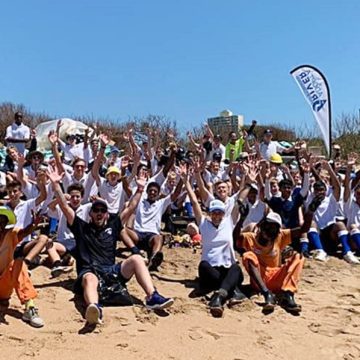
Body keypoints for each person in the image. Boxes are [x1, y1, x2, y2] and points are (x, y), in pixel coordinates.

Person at [47, 167, 174, 325]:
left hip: (111, 271)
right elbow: (65, 208)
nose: (99, 213)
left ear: (107, 214)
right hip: (90, 271)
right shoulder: (81, 227)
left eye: (102, 210)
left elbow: (131, 207)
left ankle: (152, 296)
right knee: (89, 278)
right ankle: (95, 307)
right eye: (96, 210)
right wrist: (56, 185)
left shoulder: (113, 226)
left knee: (136, 258)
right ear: (90, 214)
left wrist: (140, 188)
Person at [180, 163, 249, 317]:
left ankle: (219, 296)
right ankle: (230, 290)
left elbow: (240, 198)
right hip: (210, 271)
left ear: (223, 213)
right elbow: (194, 201)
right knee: (204, 266)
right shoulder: (204, 223)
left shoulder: (229, 221)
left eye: (219, 213)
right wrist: (186, 182)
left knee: (236, 268)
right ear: (210, 213)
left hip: (226, 268)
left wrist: (245, 177)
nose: (217, 216)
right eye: (214, 213)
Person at [234, 195, 324, 314]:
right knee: (248, 255)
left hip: (276, 277)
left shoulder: (280, 236)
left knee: (298, 257)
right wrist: (241, 219)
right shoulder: (251, 238)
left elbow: (303, 229)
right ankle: (267, 294)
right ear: (261, 226)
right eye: (267, 226)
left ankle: (288, 294)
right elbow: (235, 238)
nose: (268, 231)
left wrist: (310, 212)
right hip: (259, 279)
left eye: (273, 229)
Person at [0, 206, 44, 328]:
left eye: (3, 222)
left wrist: (34, 224)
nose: (0, 225)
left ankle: (30, 307)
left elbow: (24, 232)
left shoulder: (10, 235)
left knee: (18, 264)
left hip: (4, 283)